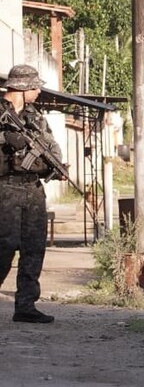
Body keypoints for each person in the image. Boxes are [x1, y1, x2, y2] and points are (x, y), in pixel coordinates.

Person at [0, 64, 63, 324]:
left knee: (34, 246)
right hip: (5, 187)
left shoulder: (35, 117)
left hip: (33, 188)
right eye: (35, 86)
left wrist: (54, 163)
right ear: (22, 87)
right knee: (4, 246)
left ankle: (26, 305)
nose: (38, 91)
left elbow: (51, 145)